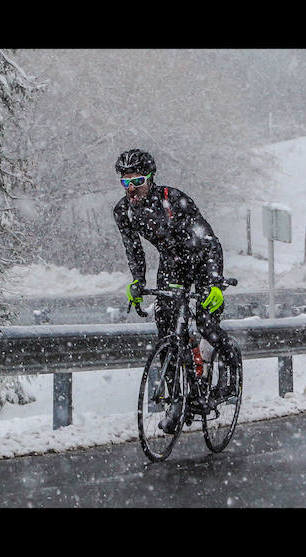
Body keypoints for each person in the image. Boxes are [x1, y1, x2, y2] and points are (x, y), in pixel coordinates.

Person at [113, 149, 238, 427]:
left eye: (138, 181)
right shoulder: (124, 211)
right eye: (126, 183)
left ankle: (230, 368)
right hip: (172, 265)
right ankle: (177, 401)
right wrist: (138, 281)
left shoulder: (174, 200)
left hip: (202, 260)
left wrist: (215, 283)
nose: (132, 189)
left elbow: (210, 241)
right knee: (167, 333)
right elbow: (133, 249)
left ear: (152, 178)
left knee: (206, 323)